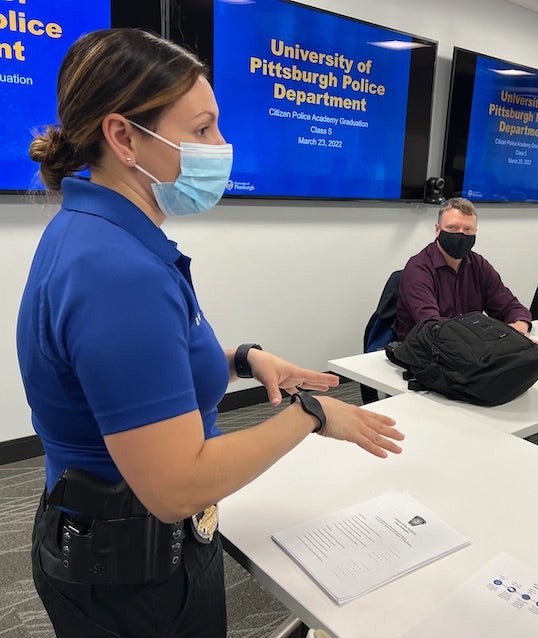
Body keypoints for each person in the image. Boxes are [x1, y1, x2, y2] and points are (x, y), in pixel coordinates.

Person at [17, 29, 403, 638]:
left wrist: (243, 360)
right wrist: (313, 415)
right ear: (123, 137)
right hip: (134, 574)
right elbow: (176, 486)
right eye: (201, 131)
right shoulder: (117, 272)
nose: (221, 146)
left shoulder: (93, 232)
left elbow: (129, 384)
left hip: (103, 544)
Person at [394, 197, 533, 340]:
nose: (460, 235)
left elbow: (510, 307)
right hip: (424, 353)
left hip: (470, 349)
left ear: (475, 232)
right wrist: (490, 335)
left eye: (467, 230)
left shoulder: (478, 264)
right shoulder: (418, 269)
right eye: (452, 228)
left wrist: (519, 327)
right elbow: (433, 327)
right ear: (437, 229)